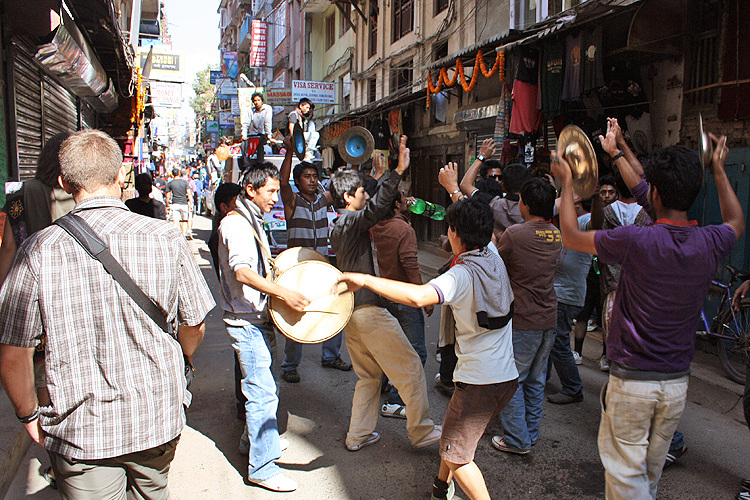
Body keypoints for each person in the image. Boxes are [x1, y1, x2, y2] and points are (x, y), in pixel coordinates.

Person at [0, 129, 215, 499]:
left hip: (82, 433)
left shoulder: (39, 249)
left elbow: (12, 355)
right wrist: (184, 359)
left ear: (65, 182)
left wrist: (28, 416)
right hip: (157, 418)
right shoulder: (166, 238)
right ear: (120, 176)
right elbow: (194, 324)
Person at [552, 118, 743, 500]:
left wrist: (568, 183)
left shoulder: (636, 240)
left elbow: (571, 237)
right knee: (647, 480)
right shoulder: (710, 240)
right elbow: (736, 219)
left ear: (654, 195)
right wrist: (719, 170)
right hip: (675, 386)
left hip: (632, 384)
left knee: (627, 486)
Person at [337, 197, 518, 500]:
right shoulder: (493, 255)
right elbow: (479, 225)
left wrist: (366, 279)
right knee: (451, 438)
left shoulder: (461, 274)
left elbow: (420, 297)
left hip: (479, 382)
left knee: (457, 454)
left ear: (454, 232)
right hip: (506, 377)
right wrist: (453, 192)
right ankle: (439, 489)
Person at [329, 135, 441, 451]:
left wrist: (377, 178)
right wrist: (398, 170)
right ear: (350, 197)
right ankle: (421, 430)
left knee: (369, 377)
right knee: (410, 368)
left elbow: (372, 206)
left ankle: (359, 434)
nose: (367, 196)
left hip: (351, 313)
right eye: (362, 192)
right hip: (368, 312)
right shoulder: (352, 220)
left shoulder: (340, 224)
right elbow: (376, 209)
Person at [217, 163, 309, 492]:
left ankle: (253, 442)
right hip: (246, 321)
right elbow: (241, 272)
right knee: (262, 393)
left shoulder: (250, 218)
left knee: (263, 387)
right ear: (251, 190)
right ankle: (263, 467)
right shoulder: (238, 224)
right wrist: (284, 291)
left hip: (256, 319)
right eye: (270, 191)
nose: (275, 197)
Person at [492, 177, 561, 455]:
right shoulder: (556, 234)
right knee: (535, 381)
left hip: (523, 319)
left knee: (511, 381)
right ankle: (529, 434)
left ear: (527, 205)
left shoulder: (516, 233)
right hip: (548, 317)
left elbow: (495, 265)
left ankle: (518, 439)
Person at [278, 138, 352, 383]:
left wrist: (351, 155)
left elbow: (343, 188)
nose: (312, 179)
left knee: (334, 308)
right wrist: (290, 151)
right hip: (297, 270)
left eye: (314, 176)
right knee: (296, 315)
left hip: (322, 266)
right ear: (298, 181)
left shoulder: (323, 199)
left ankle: (330, 355)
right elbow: (282, 181)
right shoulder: (292, 201)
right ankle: (290, 365)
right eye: (307, 176)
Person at [371, 188, 433, 418]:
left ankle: (383, 384)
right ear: (396, 204)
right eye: (404, 196)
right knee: (415, 351)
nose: (408, 198)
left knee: (391, 345)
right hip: (405, 295)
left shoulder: (379, 225)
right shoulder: (403, 230)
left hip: (387, 293)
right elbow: (410, 264)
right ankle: (396, 401)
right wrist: (423, 295)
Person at [546, 193, 590, 405]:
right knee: (549, 337)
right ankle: (543, 377)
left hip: (567, 294)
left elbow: (597, 220)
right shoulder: (572, 223)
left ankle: (573, 387)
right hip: (560, 292)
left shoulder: (586, 221)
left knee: (558, 342)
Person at [242, 92, 273, 164]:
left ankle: (260, 163)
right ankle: (246, 164)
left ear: (262, 101)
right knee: (244, 145)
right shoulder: (251, 111)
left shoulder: (268, 109)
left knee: (259, 143)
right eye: (255, 101)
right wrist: (244, 134)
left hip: (262, 134)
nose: (257, 102)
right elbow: (246, 123)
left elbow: (267, 122)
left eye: (258, 100)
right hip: (252, 134)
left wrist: (269, 135)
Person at [165, 168, 193, 238]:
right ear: (179, 173)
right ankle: (183, 235)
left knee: (175, 220)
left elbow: (167, 196)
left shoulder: (170, 183)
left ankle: (175, 236)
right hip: (184, 204)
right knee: (184, 221)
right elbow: (189, 194)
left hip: (175, 204)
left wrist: (167, 205)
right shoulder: (185, 183)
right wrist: (191, 204)